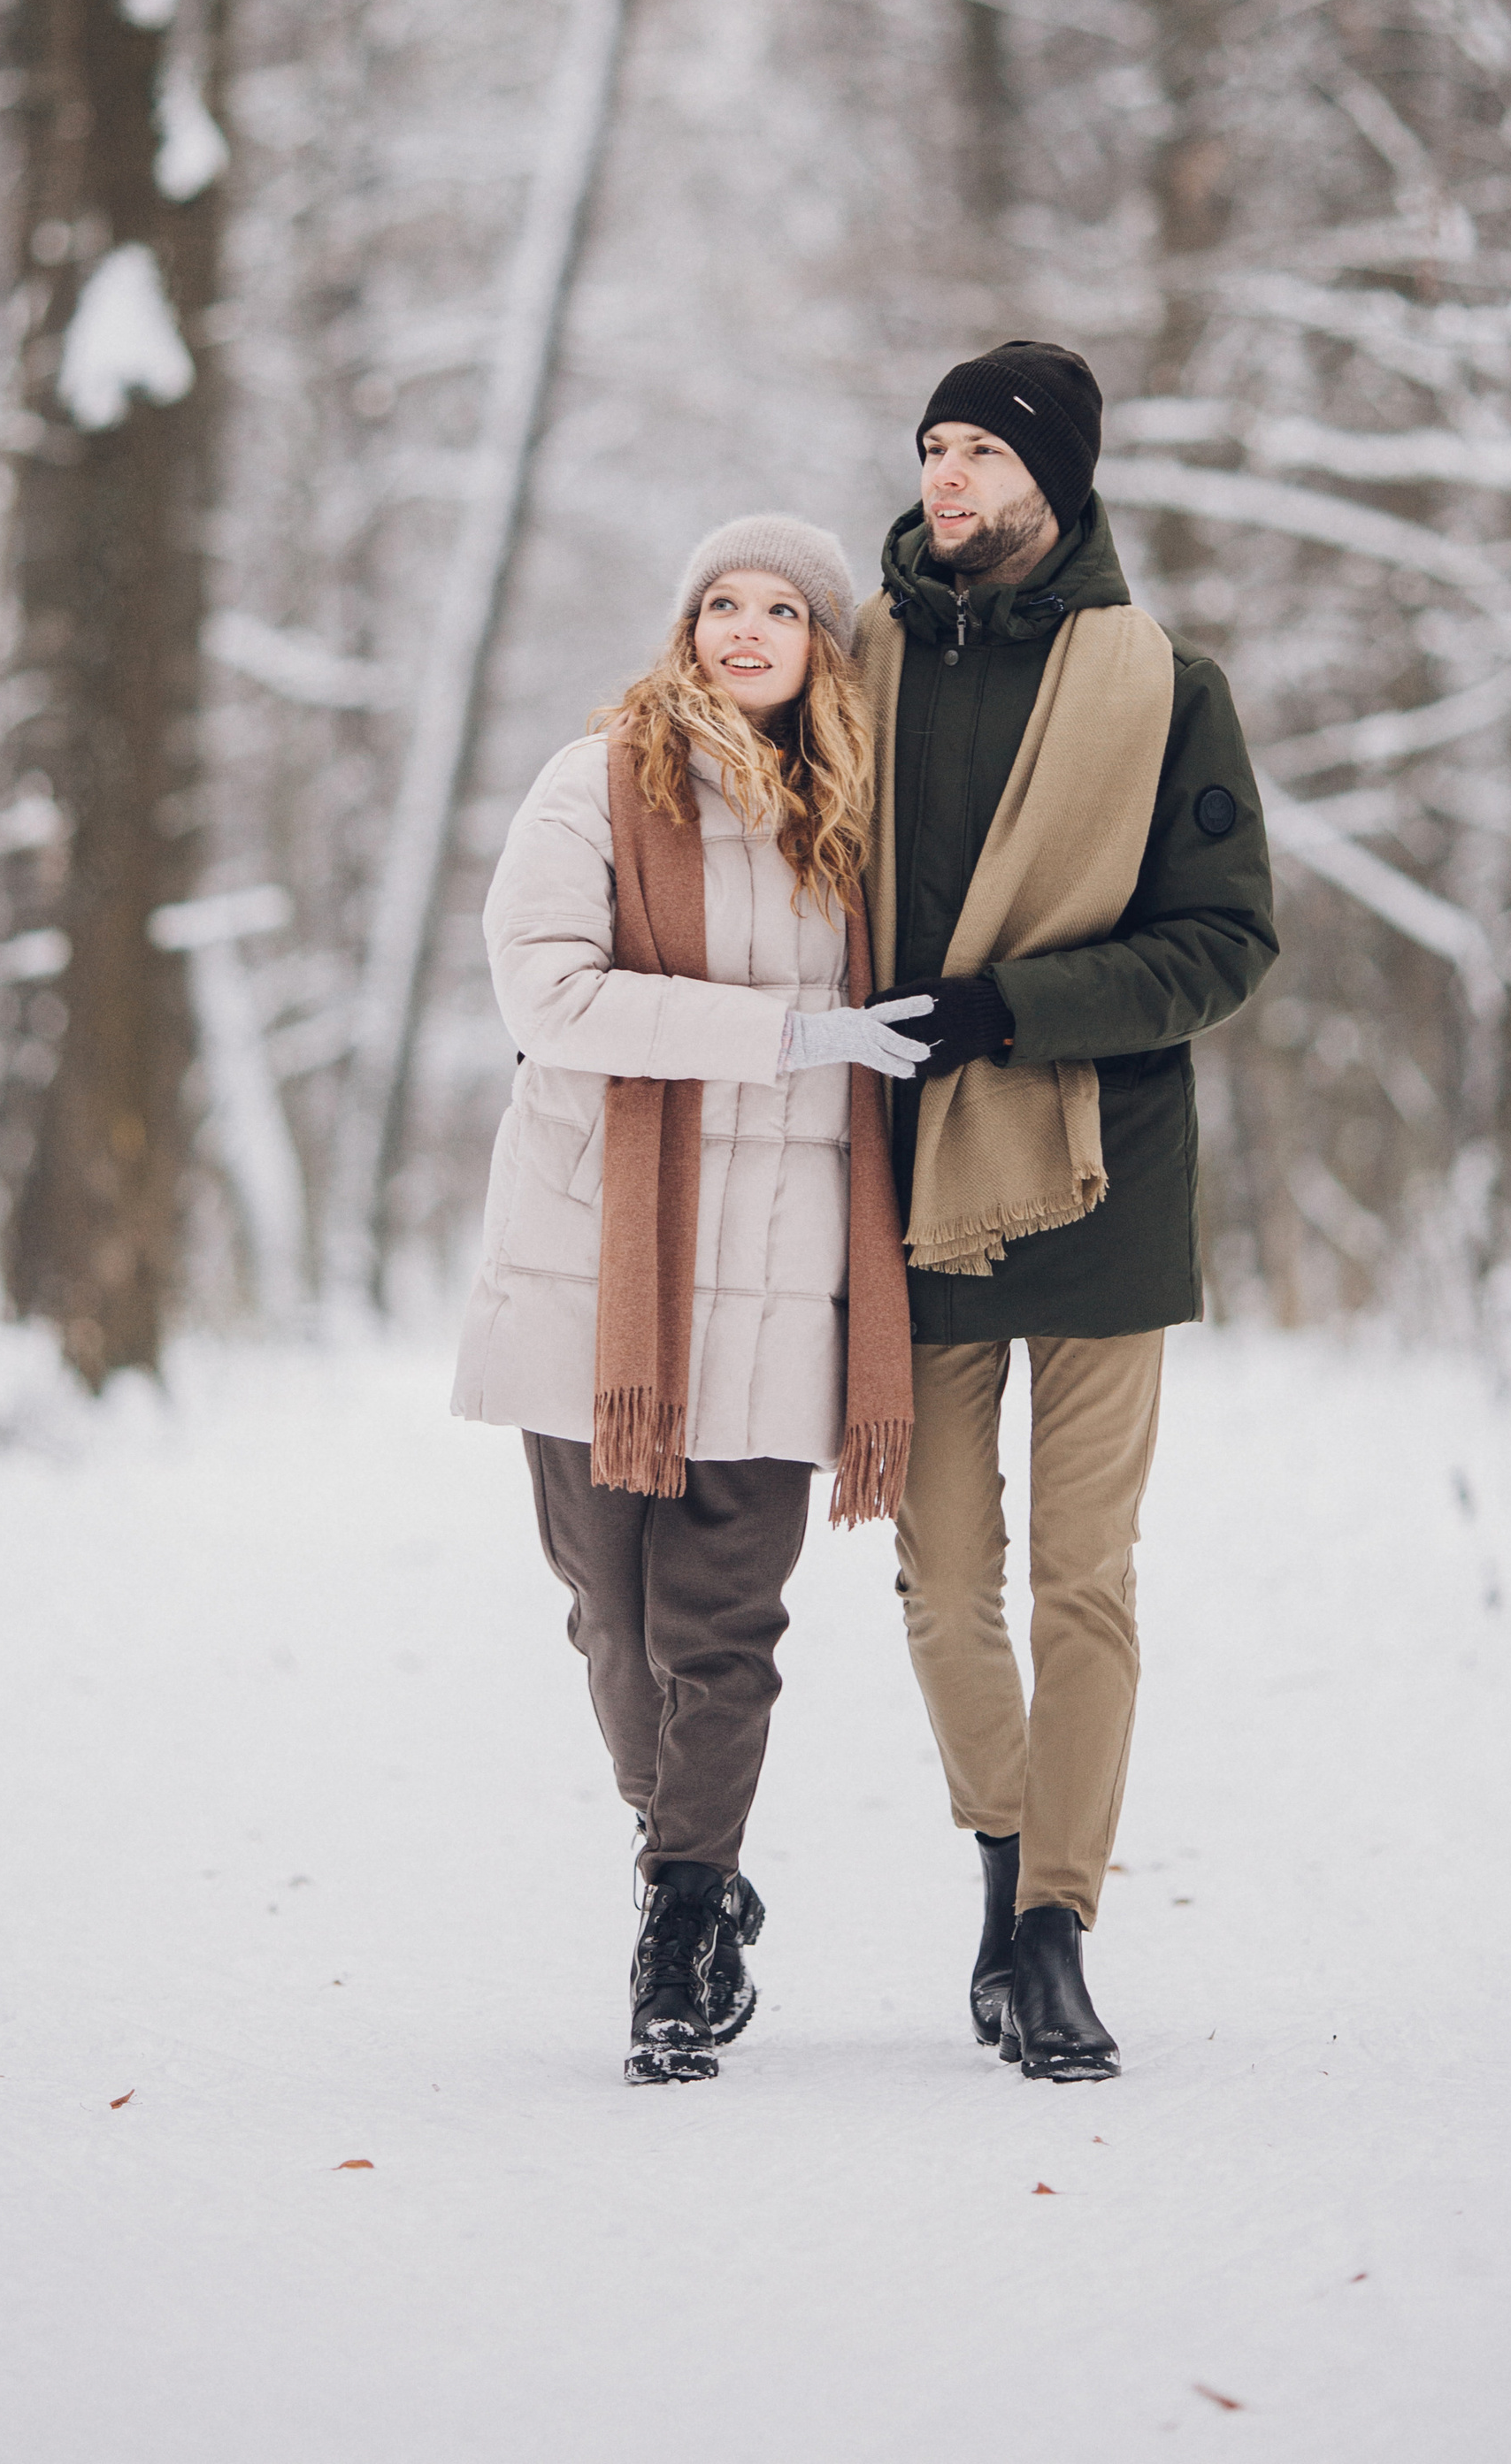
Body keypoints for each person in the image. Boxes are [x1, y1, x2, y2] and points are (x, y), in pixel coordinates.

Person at [453, 517, 928, 2085]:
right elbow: (550, 994)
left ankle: (678, 1915)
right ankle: (697, 1852)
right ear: (684, 628)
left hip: (792, 1268)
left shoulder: (860, 817)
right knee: (612, 1612)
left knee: (722, 1627)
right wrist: (794, 1037)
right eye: (719, 603)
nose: (743, 627)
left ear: (823, 644)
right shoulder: (597, 781)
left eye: (778, 606)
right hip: (603, 1267)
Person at [856, 342, 1277, 2083]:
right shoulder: (854, 659)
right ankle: (999, 1867)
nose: (942, 477)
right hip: (905, 1177)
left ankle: (1053, 1934)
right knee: (945, 1578)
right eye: (929, 447)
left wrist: (1010, 1012)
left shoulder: (1162, 684)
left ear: (1055, 472)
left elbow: (1222, 941)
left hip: (1100, 1164)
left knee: (1082, 1579)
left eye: (976, 451)